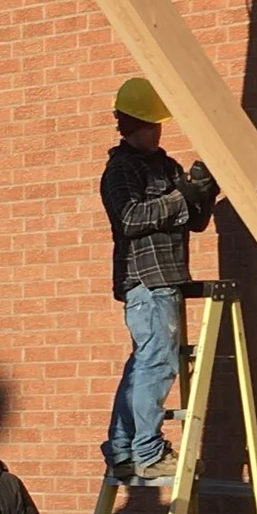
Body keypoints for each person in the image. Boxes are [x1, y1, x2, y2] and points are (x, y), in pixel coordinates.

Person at [99, 76, 219, 487]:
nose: (159, 131)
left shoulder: (165, 166)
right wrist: (179, 197)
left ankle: (122, 450)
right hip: (145, 281)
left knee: (144, 363)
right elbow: (130, 218)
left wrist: (203, 190)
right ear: (132, 125)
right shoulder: (120, 171)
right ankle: (147, 453)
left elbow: (196, 221)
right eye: (153, 125)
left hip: (168, 277)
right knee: (157, 362)